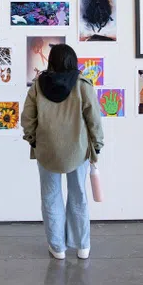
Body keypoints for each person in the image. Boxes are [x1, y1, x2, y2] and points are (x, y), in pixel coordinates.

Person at [21, 43, 104, 260]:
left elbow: (28, 118)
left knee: (50, 197)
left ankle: (57, 247)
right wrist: (96, 145)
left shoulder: (38, 85)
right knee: (78, 195)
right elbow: (94, 119)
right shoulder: (82, 85)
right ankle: (82, 246)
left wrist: (33, 140)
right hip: (78, 150)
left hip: (47, 150)